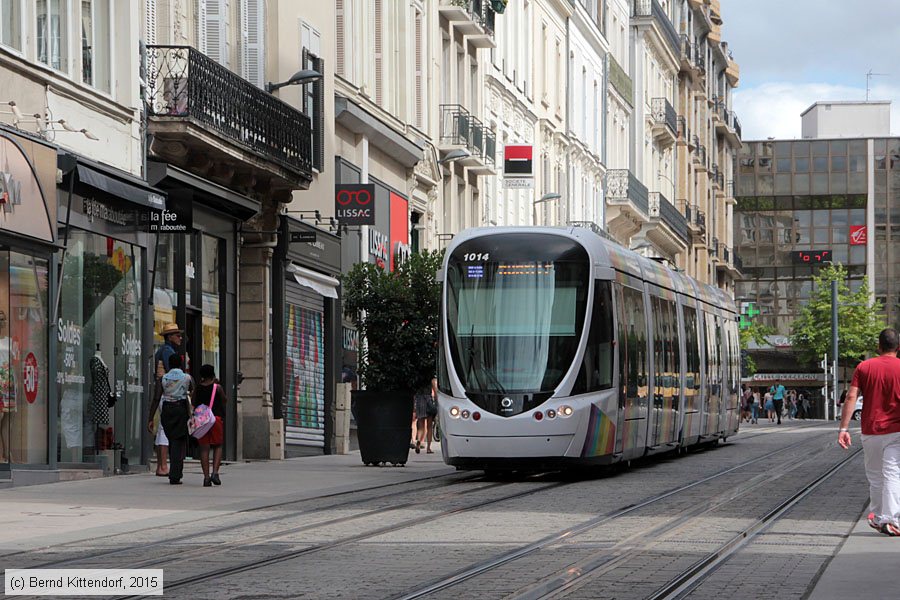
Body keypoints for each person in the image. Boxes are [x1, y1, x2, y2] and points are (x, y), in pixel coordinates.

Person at [838, 328, 900, 536]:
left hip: (871, 430)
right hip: (896, 430)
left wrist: (844, 428)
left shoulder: (864, 367)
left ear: (878, 346)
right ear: (898, 348)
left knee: (875, 476)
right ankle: (890, 519)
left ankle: (877, 515)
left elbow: (850, 398)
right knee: (892, 473)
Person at [148, 354, 192, 485]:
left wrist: (150, 418)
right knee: (179, 442)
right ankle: (176, 473)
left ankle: (175, 471)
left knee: (172, 440)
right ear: (180, 364)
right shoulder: (187, 378)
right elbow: (193, 392)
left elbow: (156, 398)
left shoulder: (163, 378)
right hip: (181, 409)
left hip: (167, 409)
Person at [151, 323, 185, 477]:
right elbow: (170, 375)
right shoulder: (168, 351)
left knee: (162, 429)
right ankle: (163, 465)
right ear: (170, 337)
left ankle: (161, 465)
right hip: (168, 395)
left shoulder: (163, 350)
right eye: (177, 335)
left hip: (164, 393)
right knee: (164, 430)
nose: (180, 338)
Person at [193, 364, 226, 487]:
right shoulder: (217, 387)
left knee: (204, 448)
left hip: (202, 421)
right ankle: (215, 473)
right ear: (213, 374)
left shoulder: (198, 388)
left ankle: (206, 478)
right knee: (218, 445)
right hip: (215, 419)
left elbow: (193, 402)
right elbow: (225, 400)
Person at [413, 378, 438, 454]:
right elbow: (435, 389)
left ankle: (418, 441)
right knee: (429, 426)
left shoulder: (418, 377)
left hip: (419, 400)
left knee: (421, 425)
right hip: (428, 400)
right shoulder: (430, 378)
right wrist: (436, 400)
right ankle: (428, 448)